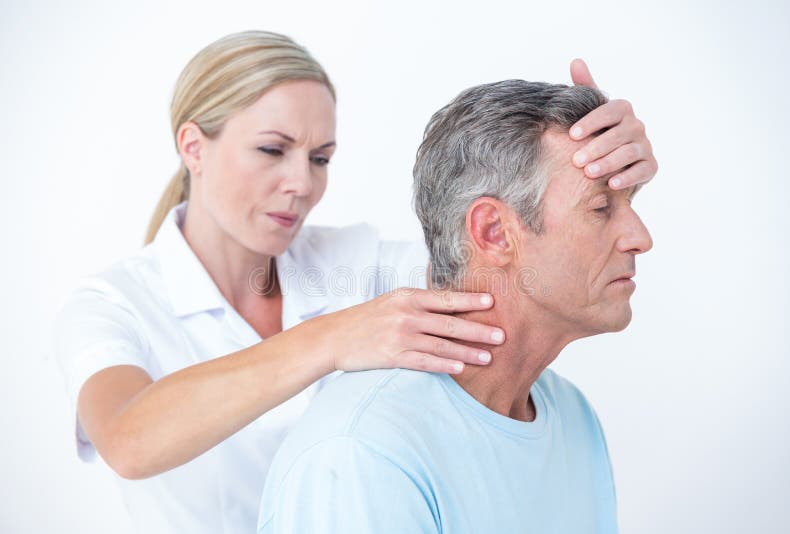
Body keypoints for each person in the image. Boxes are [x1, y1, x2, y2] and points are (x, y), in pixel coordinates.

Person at [52, 30, 658, 534]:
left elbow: (499, 248)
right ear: (193, 146)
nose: (301, 184)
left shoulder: (351, 259)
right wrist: (329, 339)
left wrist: (590, 170)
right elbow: (128, 441)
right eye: (272, 150)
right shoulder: (113, 305)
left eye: (320, 158)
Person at [257, 79, 653, 533]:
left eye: (630, 203)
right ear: (494, 232)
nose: (640, 238)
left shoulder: (573, 418)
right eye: (602, 207)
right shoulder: (363, 452)